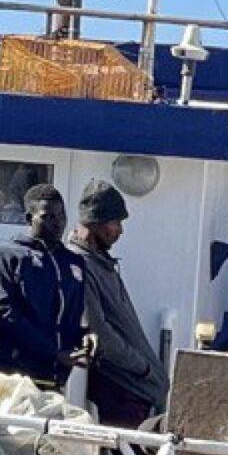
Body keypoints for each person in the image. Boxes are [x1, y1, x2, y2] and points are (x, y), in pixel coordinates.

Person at [66, 180, 169, 429]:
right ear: (95, 223)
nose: (120, 230)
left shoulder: (101, 263)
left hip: (136, 389)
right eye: (115, 222)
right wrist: (142, 368)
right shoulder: (80, 266)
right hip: (121, 390)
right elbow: (99, 332)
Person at [0, 186, 87, 391]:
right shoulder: (8, 256)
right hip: (12, 375)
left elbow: (75, 313)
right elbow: (2, 314)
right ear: (30, 218)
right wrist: (52, 352)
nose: (58, 223)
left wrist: (86, 336)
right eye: (48, 217)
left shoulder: (74, 262)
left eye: (61, 215)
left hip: (54, 377)